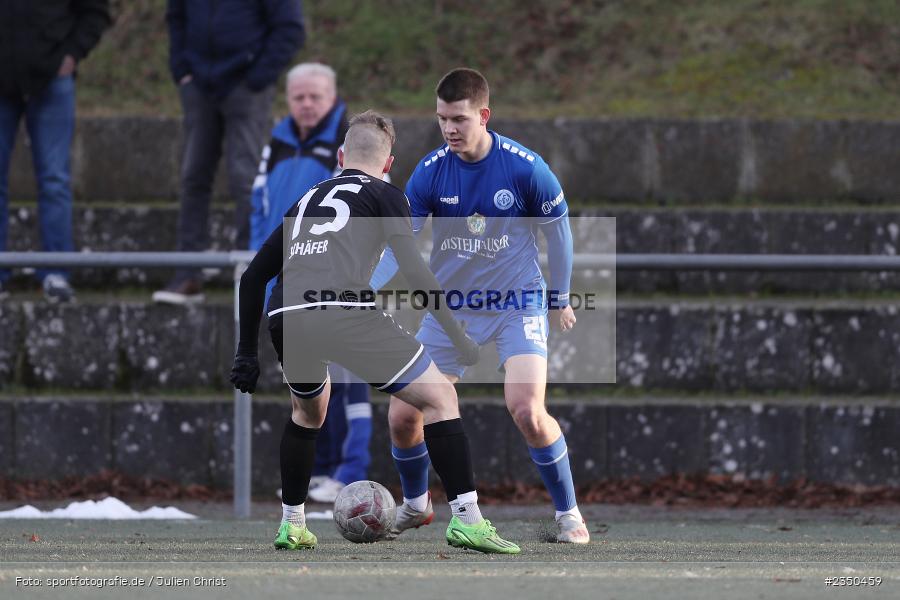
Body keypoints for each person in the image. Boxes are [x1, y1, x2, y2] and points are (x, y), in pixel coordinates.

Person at [229, 110, 520, 554]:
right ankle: (468, 520)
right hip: (343, 310)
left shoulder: (307, 199)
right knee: (441, 398)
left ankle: (291, 524)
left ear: (342, 155)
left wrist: (246, 354)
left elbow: (252, 278)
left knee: (308, 413)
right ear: (388, 164)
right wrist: (457, 336)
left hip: (287, 315)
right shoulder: (386, 194)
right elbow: (416, 272)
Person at [369, 68, 590, 544]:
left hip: (517, 303)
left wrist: (560, 294)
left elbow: (559, 229)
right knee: (404, 415)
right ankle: (416, 505)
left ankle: (569, 515)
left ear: (483, 115)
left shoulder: (525, 166)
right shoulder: (430, 171)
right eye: (442, 119)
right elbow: (400, 242)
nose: (449, 128)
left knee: (527, 410)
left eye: (459, 119)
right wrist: (362, 285)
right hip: (452, 310)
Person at [247, 62, 370, 503]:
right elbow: (259, 209)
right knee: (307, 383)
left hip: (339, 282)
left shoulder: (355, 143)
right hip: (288, 284)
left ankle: (350, 472)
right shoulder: (276, 143)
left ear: (332, 96)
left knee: (350, 381)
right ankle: (317, 471)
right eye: (298, 96)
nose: (306, 104)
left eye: (315, 96)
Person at [153, 0, 305, 305]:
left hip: (246, 86)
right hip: (198, 85)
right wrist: (182, 70)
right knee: (193, 176)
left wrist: (257, 76)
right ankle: (187, 274)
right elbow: (176, 17)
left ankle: (250, 274)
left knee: (246, 178)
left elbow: (290, 28)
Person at [0, 0, 110, 302]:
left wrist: (71, 55)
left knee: (54, 180)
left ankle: (56, 273)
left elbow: (96, 11)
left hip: (52, 80)